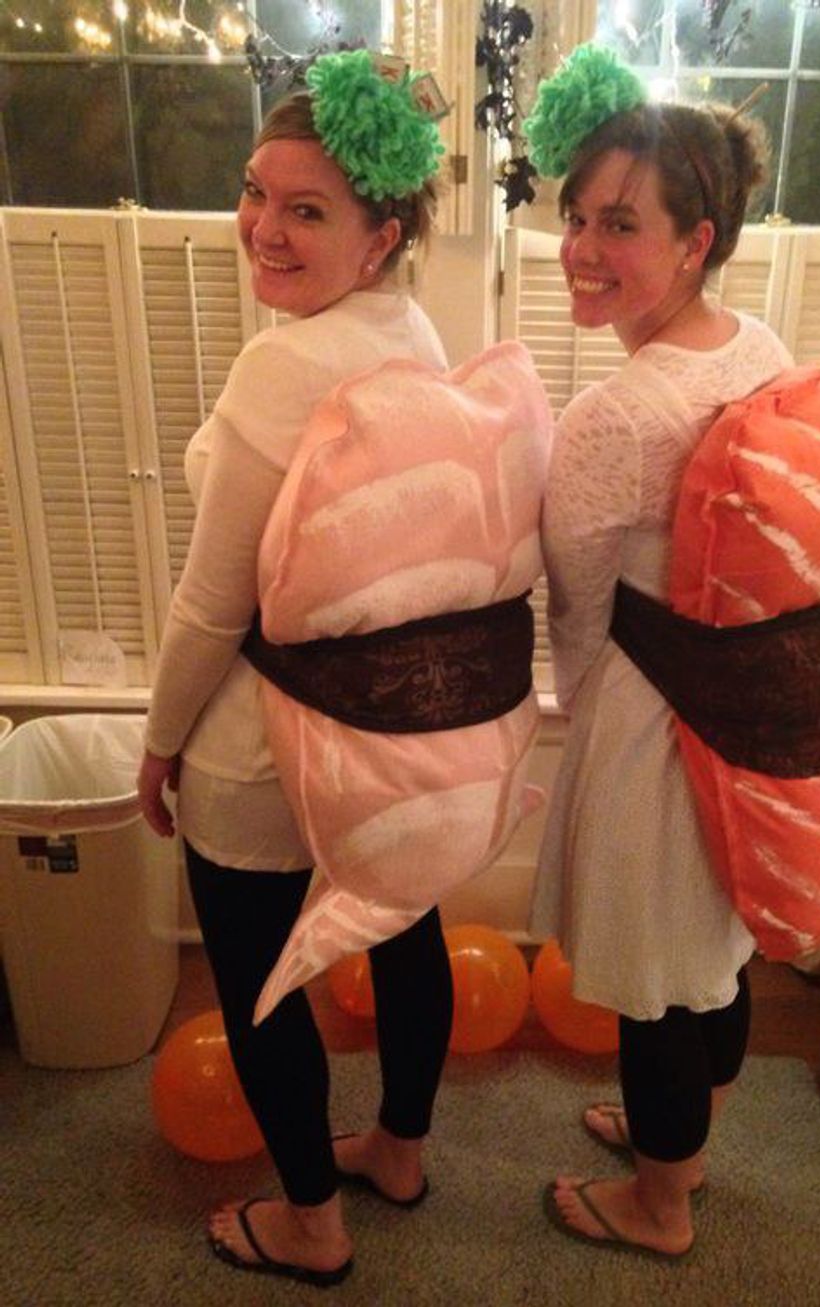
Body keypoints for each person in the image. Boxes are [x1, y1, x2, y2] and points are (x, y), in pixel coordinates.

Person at [137, 50, 548, 1290]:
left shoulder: (280, 368)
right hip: (381, 736)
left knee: (259, 984)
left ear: (380, 237)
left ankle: (311, 1222)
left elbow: (213, 603)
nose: (262, 227)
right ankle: (399, 1153)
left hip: (257, 739)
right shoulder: (410, 330)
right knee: (405, 929)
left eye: (305, 209)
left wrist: (157, 740)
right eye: (254, 191)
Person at [525, 47, 794, 1257]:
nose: (581, 247)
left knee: (649, 977)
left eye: (619, 224)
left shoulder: (614, 415)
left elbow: (577, 611)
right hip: (744, 703)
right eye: (576, 215)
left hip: (650, 711)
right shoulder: (756, 345)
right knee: (713, 952)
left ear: (695, 241)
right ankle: (686, 1137)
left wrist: (583, 718)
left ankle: (658, 1201)